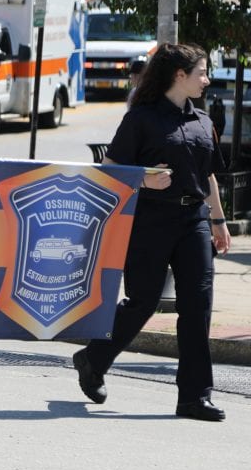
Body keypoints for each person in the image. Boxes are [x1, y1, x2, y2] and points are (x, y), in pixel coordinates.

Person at [72, 43, 232, 422]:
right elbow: (109, 171)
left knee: (198, 306)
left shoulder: (203, 121)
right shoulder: (140, 119)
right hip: (150, 220)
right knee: (142, 301)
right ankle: (93, 359)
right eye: (202, 73)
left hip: (193, 220)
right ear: (180, 76)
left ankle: (194, 397)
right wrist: (144, 180)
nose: (206, 80)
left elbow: (207, 174)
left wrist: (219, 222)